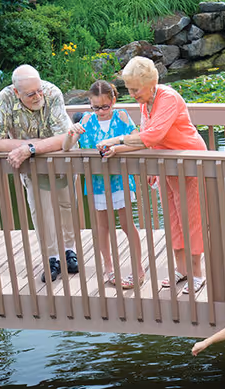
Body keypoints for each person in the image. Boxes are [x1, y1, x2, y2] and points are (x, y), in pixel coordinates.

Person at [96, 56, 206, 295]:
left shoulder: (167, 98)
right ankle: (182, 269)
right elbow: (145, 138)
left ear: (151, 83)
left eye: (136, 89)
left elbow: (153, 135)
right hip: (166, 166)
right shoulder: (146, 102)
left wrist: (115, 139)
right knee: (174, 219)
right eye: (130, 89)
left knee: (191, 219)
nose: (132, 94)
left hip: (189, 164)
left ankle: (197, 274)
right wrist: (117, 149)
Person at [0, 65, 79, 283]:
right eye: (31, 94)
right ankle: (52, 258)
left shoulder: (53, 93)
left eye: (39, 90)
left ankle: (69, 251)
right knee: (40, 210)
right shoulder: (5, 99)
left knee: (67, 205)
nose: (39, 96)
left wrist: (30, 148)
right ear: (17, 92)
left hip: (62, 159)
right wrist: (34, 145)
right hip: (32, 168)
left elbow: (63, 137)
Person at [62, 80, 144, 289]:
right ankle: (109, 268)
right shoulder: (87, 120)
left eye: (105, 106)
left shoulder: (122, 116)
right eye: (96, 107)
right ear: (90, 103)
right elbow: (66, 147)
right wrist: (73, 133)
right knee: (102, 227)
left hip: (121, 180)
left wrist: (116, 143)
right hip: (97, 182)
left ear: (113, 101)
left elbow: (137, 139)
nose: (100, 111)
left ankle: (138, 267)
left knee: (127, 225)